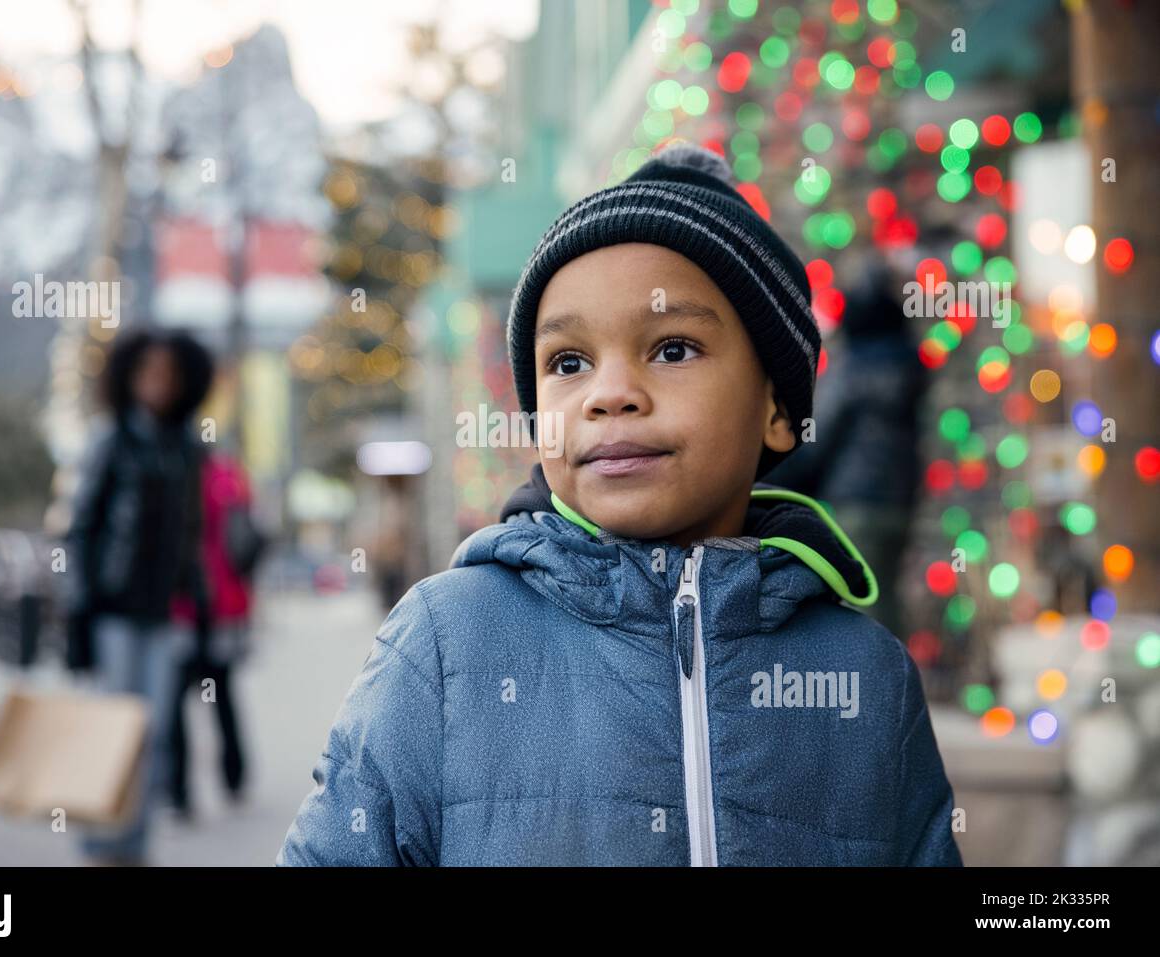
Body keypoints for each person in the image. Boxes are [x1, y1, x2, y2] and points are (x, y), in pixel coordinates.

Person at [277, 145, 961, 866]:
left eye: (672, 348)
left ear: (778, 409)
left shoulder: (866, 676)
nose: (610, 393)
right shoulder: (446, 644)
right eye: (568, 363)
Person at [64, 328, 213, 865]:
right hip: (114, 613)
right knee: (110, 730)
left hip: (162, 614)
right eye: (148, 372)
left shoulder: (187, 449)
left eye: (168, 374)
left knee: (153, 735)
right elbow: (80, 528)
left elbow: (190, 537)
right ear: (128, 378)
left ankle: (134, 845)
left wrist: (201, 614)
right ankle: (101, 840)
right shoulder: (111, 441)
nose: (158, 383)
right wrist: (79, 613)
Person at [763, 256, 926, 642]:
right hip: (899, 502)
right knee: (885, 592)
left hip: (855, 500)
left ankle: (875, 683)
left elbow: (818, 435)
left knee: (859, 601)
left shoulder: (852, 372)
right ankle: (893, 673)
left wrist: (781, 477)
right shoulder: (909, 370)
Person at [166, 451, 256, 818]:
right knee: (219, 696)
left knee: (186, 699)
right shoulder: (228, 475)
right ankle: (225, 779)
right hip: (207, 605)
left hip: (197, 607)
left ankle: (181, 792)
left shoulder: (185, 470)